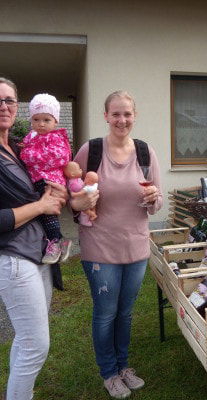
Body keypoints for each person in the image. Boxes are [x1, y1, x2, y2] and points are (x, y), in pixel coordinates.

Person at [0, 77, 96, 400]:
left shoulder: (17, 147)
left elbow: (47, 183)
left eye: (10, 100)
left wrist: (71, 198)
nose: (3, 106)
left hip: (39, 253)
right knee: (36, 345)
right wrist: (40, 205)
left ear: (18, 107)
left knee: (26, 340)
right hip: (14, 255)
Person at [70, 90, 163, 399]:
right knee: (106, 312)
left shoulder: (146, 152)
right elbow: (73, 194)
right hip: (100, 247)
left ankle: (123, 366)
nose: (122, 120)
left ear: (134, 116)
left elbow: (158, 199)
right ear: (106, 116)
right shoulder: (91, 150)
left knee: (125, 313)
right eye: (116, 114)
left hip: (136, 247)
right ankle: (108, 372)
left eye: (127, 114)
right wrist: (80, 200)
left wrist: (154, 198)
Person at [19, 93, 73, 264]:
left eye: (46, 120)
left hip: (50, 182)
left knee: (48, 213)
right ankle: (55, 242)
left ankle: (56, 241)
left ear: (55, 121)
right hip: (36, 181)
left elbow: (61, 157)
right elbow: (23, 153)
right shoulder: (30, 137)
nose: (41, 124)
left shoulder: (56, 137)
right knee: (40, 213)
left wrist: (30, 155)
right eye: (36, 119)